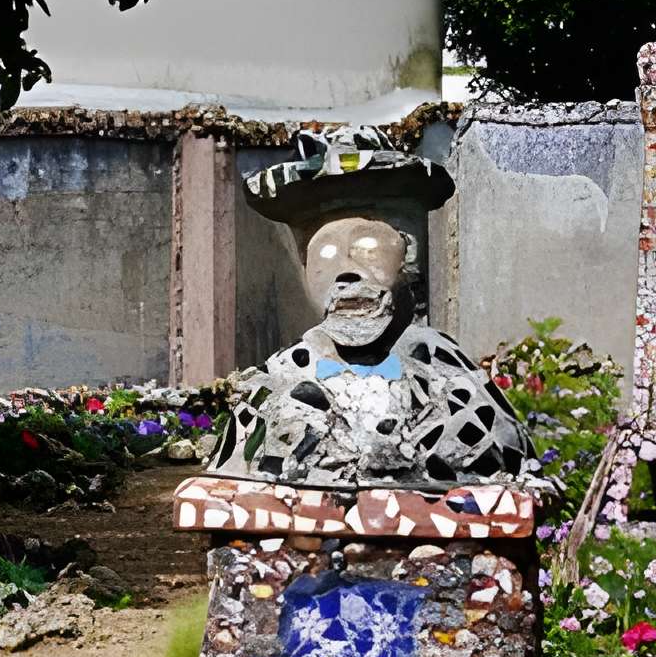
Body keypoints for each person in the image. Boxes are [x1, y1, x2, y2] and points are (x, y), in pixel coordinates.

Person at [210, 130, 531, 490]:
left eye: (366, 246)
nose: (345, 271)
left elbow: (507, 484)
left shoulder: (450, 379)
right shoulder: (277, 384)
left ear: (410, 256)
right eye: (325, 252)